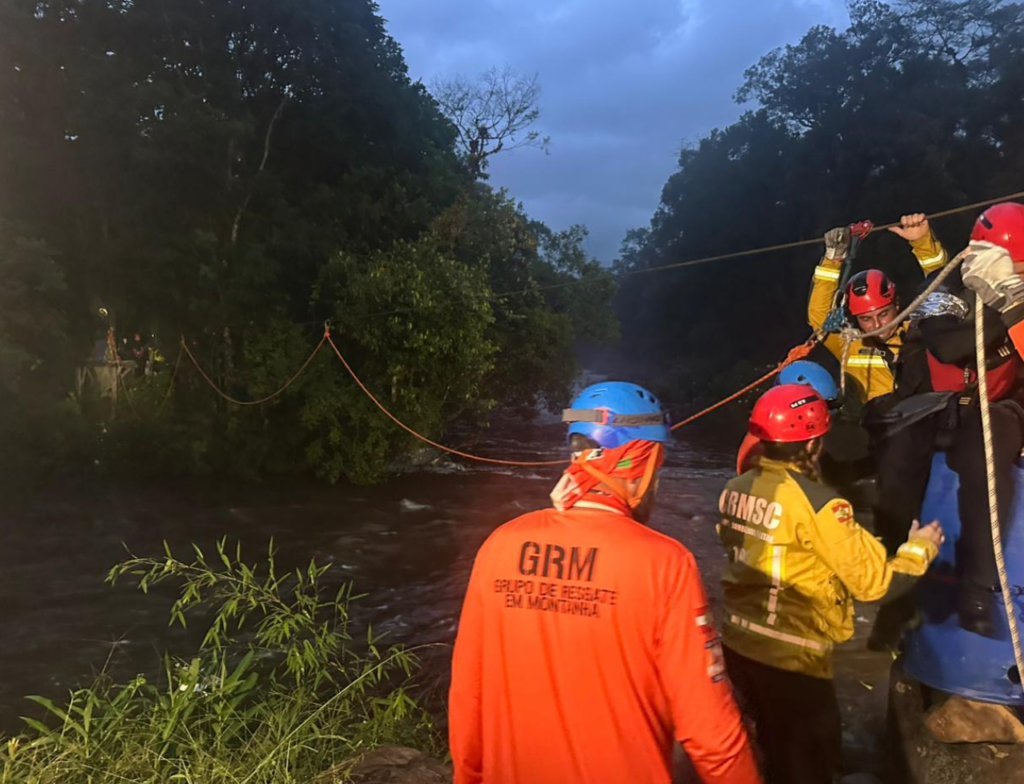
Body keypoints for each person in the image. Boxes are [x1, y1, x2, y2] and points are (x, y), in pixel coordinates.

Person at [449, 381, 761, 784]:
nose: (657, 481)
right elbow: (712, 735)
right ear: (639, 461)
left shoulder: (499, 545)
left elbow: (468, 696)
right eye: (658, 466)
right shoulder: (666, 563)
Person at [718, 384, 943, 784]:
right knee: (813, 760)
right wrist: (920, 548)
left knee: (769, 743)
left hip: (738, 647)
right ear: (813, 443)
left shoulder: (735, 489)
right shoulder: (822, 505)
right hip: (793, 658)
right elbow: (876, 584)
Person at [808, 213, 949, 404]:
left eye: (883, 314)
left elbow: (943, 290)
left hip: (924, 415)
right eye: (866, 318)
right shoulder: (849, 345)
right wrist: (833, 260)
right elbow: (818, 314)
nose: (876, 325)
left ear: (896, 305)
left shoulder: (919, 331)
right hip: (875, 420)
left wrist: (923, 242)